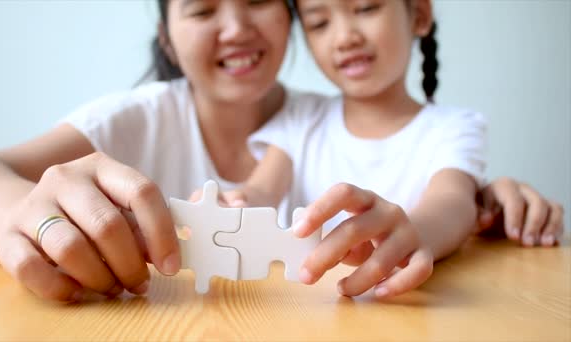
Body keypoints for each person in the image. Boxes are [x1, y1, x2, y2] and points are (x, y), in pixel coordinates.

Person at [0, 0, 562, 302]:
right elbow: (259, 188)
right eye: (201, 7)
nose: (234, 26)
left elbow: (439, 196)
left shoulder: (311, 112)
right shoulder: (138, 116)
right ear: (167, 33)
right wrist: (31, 216)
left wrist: (474, 204)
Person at [218, 0, 566, 298]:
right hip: (306, 310)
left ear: (418, 14)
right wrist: (236, 203)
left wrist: (411, 234)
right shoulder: (299, 118)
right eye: (319, 23)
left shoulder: (453, 128)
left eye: (367, 8)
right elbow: (261, 189)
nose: (344, 37)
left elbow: (454, 203)